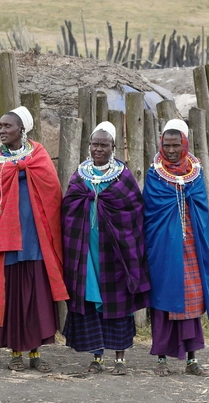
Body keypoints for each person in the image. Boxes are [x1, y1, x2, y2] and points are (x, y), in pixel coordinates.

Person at [0, 106, 69, 372]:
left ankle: (36, 353)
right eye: (1, 126)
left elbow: (52, 191)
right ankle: (15, 352)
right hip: (7, 243)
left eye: (8, 126)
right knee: (13, 297)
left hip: (34, 240)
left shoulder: (38, 155)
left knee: (36, 297)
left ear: (22, 130)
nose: (2, 130)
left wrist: (24, 172)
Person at [61, 122, 151, 375]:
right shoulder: (80, 176)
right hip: (86, 251)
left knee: (117, 301)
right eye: (95, 144)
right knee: (91, 299)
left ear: (113, 147)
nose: (98, 149)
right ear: (89, 146)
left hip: (115, 252)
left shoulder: (123, 177)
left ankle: (120, 358)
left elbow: (134, 211)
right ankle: (97, 356)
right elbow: (68, 208)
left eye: (104, 145)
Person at [143, 119, 209, 376]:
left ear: (185, 143)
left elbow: (202, 207)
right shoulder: (154, 174)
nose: (171, 150)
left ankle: (192, 359)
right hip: (163, 246)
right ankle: (161, 358)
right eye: (166, 144)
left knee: (191, 300)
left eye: (176, 145)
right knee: (164, 298)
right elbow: (151, 210)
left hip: (190, 245)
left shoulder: (196, 172)